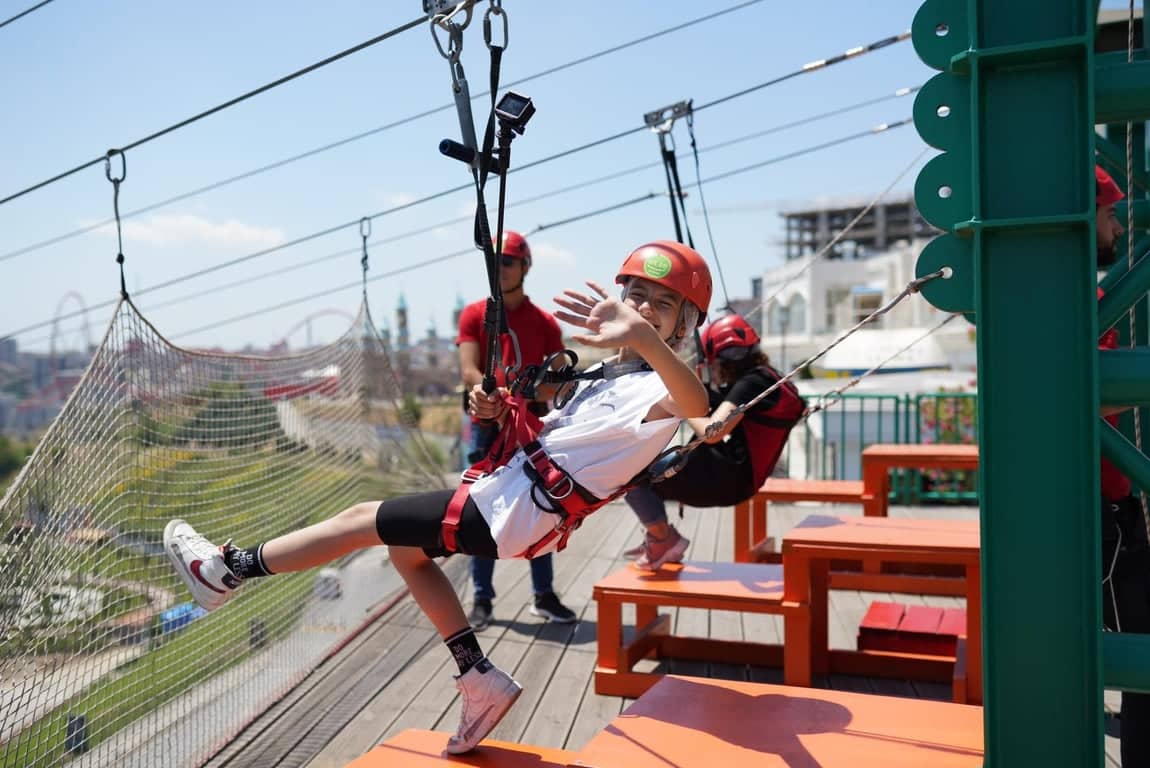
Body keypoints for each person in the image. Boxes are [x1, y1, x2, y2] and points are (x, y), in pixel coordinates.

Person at [163, 240, 711, 756]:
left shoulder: (657, 386)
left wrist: (642, 337)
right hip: (513, 501)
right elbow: (568, 438)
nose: (643, 308)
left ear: (684, 325)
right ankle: (477, 676)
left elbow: (694, 399)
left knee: (363, 518)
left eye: (664, 304)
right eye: (635, 294)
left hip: (514, 511)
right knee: (407, 552)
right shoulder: (606, 375)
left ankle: (226, 571)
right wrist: (500, 409)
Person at [456, 230, 575, 631]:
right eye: (495, 262)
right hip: (489, 424)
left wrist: (540, 389)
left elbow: (560, 378)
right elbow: (470, 369)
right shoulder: (476, 314)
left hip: (529, 426)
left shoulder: (543, 322)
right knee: (480, 513)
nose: (500, 269)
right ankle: (482, 599)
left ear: (524, 267)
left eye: (507, 261)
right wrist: (489, 391)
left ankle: (543, 595)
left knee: (541, 507)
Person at [623, 312, 805, 569]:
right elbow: (725, 410)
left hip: (729, 478)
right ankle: (658, 537)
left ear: (721, 360)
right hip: (739, 477)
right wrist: (699, 391)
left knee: (630, 477)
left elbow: (713, 432)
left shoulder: (752, 383)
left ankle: (663, 539)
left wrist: (682, 404)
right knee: (643, 473)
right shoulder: (769, 377)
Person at [1095, 163, 1150, 765]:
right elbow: (1090, 393)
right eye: (1110, 213)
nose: (1117, 225)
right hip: (1103, 512)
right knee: (1138, 653)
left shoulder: (1098, 300)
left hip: (1112, 503)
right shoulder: (1095, 303)